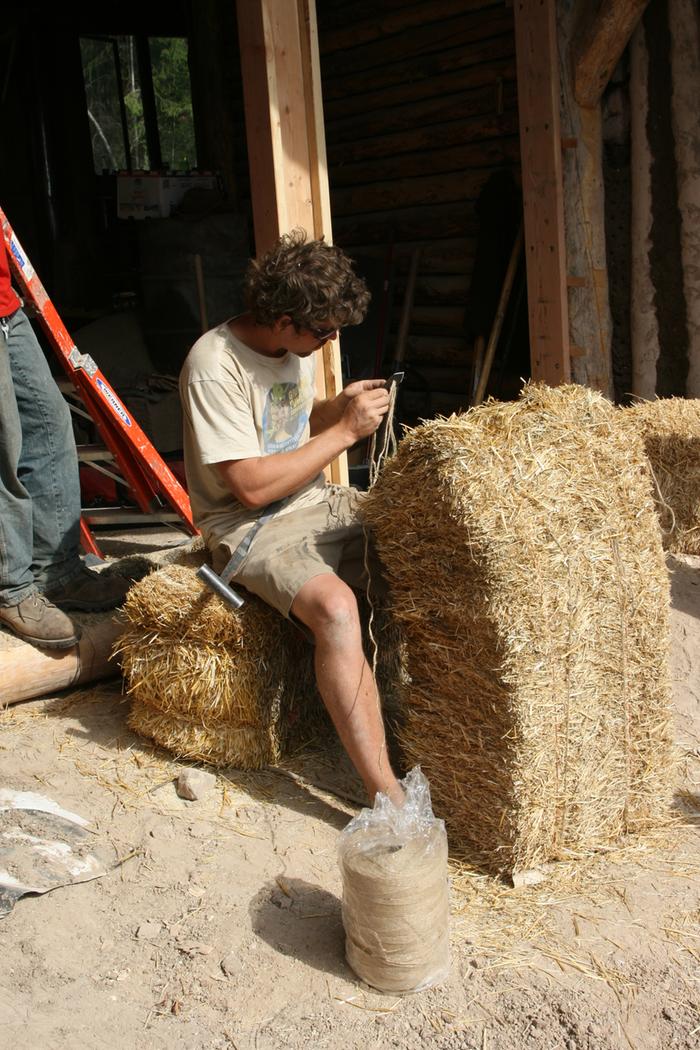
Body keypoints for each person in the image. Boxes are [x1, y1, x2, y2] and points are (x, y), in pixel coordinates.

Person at [179, 230, 403, 805]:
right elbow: (251, 486)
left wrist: (339, 408)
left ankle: (417, 722)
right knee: (335, 608)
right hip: (248, 523)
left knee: (415, 541)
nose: (329, 342)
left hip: (308, 499)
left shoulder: (290, 350)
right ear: (281, 319)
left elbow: (293, 426)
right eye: (322, 332)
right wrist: (346, 432)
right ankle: (385, 794)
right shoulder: (215, 365)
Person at [0, 237, 129, 650]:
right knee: (4, 442)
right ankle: (11, 588)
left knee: (49, 422)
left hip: (6, 305)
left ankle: (56, 572)